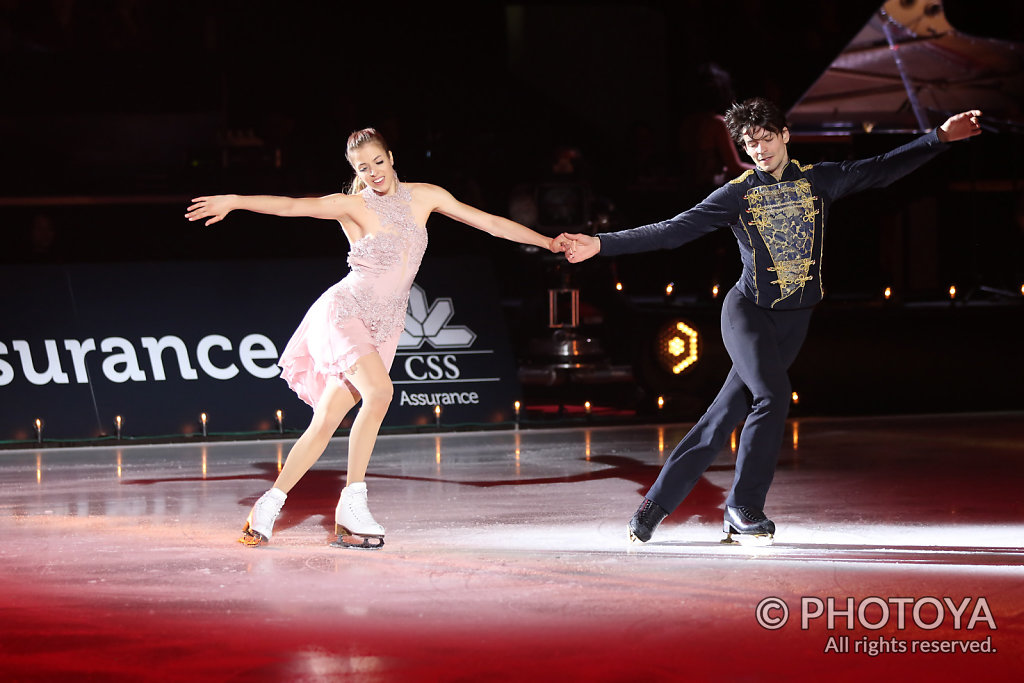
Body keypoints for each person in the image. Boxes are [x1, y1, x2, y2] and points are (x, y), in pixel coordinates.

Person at [557, 98, 983, 546]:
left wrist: (937, 138)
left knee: (723, 416)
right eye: (749, 143)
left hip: (794, 321)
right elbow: (672, 230)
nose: (758, 149)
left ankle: (652, 507)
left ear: (784, 135)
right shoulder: (737, 193)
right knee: (774, 395)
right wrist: (601, 244)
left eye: (764, 139)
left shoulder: (820, 181)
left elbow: (880, 168)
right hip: (748, 313)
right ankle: (744, 508)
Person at [186, 128, 561, 549]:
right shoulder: (353, 205)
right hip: (347, 311)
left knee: (327, 419)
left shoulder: (426, 196)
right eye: (363, 168)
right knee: (380, 392)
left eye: (378, 163)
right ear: (355, 171)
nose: (374, 173)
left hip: (386, 325)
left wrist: (546, 241)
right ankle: (352, 502)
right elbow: (291, 206)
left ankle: (268, 504)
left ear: (391, 157)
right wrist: (235, 201)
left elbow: (489, 223)